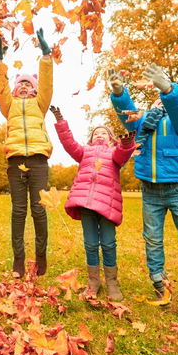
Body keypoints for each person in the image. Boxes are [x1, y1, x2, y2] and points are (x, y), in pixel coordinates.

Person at [109, 64, 178, 315]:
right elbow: (126, 112)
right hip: (150, 191)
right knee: (153, 240)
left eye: (163, 96)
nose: (159, 99)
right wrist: (119, 93)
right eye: (157, 96)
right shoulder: (143, 123)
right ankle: (159, 285)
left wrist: (168, 89)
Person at [51, 109, 136, 300]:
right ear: (90, 139)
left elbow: (123, 154)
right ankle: (94, 281)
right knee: (90, 244)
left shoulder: (114, 152)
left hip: (107, 205)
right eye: (95, 133)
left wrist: (126, 143)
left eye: (103, 132)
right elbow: (69, 143)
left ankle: (112, 282)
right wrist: (60, 121)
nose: (99, 134)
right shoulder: (84, 152)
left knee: (108, 243)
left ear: (111, 139)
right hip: (86, 204)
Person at [0, 31, 54, 278]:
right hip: (16, 160)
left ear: (34, 90)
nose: (24, 87)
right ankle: (19, 259)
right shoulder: (9, 106)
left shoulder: (40, 104)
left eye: (29, 85)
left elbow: (47, 84)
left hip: (38, 160)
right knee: (18, 210)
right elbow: (0, 88)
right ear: (15, 89)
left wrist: (46, 56)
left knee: (39, 209)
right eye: (21, 84)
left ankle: (41, 256)